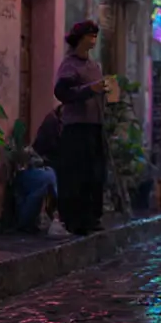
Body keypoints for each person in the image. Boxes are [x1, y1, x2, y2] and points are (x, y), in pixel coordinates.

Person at [52, 20, 110, 236]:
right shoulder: (70, 66)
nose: (93, 40)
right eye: (89, 35)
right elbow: (62, 93)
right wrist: (89, 90)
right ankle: (75, 220)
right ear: (80, 38)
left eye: (95, 36)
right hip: (76, 127)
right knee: (77, 175)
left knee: (95, 174)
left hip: (95, 124)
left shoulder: (94, 66)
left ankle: (92, 217)